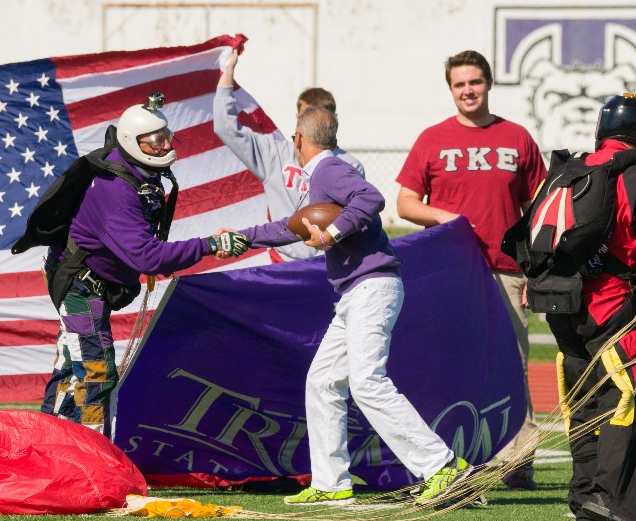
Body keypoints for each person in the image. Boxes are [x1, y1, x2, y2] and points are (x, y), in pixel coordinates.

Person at [239, 107, 471, 507]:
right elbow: (289, 226)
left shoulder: (329, 170)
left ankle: (443, 467)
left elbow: (371, 197)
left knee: (367, 382)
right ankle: (332, 483)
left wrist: (330, 233)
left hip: (372, 288)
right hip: (355, 294)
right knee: (323, 381)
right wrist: (243, 237)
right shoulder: (324, 175)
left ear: (298, 139)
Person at [41, 94, 249, 434]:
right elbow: (146, 256)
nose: (164, 145)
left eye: (166, 136)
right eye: (154, 142)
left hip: (89, 279)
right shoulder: (117, 191)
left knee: (72, 364)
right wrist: (209, 244)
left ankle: (51, 439)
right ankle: (90, 453)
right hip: (80, 284)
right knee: (95, 371)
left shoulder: (139, 170)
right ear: (131, 142)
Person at [395, 49, 546, 491]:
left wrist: (535, 271)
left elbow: (538, 209)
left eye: (475, 82)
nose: (468, 90)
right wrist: (445, 219)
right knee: (447, 366)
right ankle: (447, 462)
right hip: (449, 274)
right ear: (451, 89)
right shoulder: (432, 139)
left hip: (505, 271)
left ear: (488, 83)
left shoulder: (517, 137)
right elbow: (405, 201)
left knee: (511, 367)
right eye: (460, 84)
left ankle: (517, 462)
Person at [539, 94, 636, 521]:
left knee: (583, 402)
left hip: (563, 305)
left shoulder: (577, 168)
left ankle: (585, 498)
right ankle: (614, 505)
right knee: (623, 400)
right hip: (612, 307)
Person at [213, 48, 364, 262]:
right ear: (297, 118)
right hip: (282, 262)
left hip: (330, 263)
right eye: (306, 117)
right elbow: (226, 128)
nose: (312, 124)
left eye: (319, 117)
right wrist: (227, 71)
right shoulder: (275, 152)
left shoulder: (349, 165)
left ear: (333, 119)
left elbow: (360, 213)